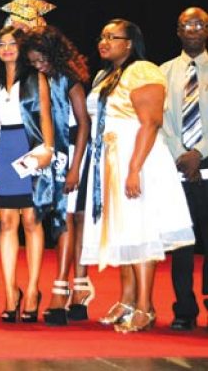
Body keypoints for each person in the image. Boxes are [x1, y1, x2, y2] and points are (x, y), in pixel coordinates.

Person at [82, 19, 194, 333]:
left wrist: (134, 168)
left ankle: (146, 306)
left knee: (142, 229)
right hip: (109, 160)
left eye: (111, 37)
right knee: (124, 229)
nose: (103, 41)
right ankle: (128, 299)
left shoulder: (143, 70)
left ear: (129, 43)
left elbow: (150, 122)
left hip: (137, 158)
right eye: (101, 36)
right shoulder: (106, 75)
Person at [0, 26, 54, 323]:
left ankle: (34, 290)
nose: (7, 48)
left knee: (31, 220)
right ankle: (11, 292)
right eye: (2, 43)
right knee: (7, 223)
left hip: (31, 147)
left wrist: (46, 152)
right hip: (4, 150)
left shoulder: (37, 79)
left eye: (13, 43)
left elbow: (46, 118)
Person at [22, 26, 93, 325]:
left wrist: (75, 167)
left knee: (70, 218)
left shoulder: (70, 79)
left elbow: (84, 125)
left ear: (53, 54)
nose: (38, 65)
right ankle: (80, 288)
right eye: (34, 61)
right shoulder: (36, 81)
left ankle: (61, 289)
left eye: (42, 60)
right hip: (50, 156)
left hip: (75, 153)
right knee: (69, 220)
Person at [160, 7, 208, 331]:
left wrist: (200, 153)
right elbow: (159, 122)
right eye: (186, 24)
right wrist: (182, 154)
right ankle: (184, 309)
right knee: (181, 246)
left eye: (199, 24)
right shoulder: (161, 72)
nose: (192, 29)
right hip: (177, 172)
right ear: (177, 31)